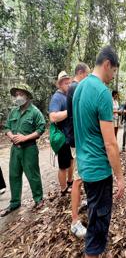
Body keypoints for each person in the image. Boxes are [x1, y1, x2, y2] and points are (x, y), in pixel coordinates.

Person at [73, 45, 125, 258]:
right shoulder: (102, 93)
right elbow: (110, 144)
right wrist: (120, 177)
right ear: (107, 64)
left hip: (85, 166)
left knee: (95, 216)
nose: (113, 76)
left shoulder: (79, 88)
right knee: (97, 226)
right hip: (99, 171)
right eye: (113, 71)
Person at [0, 84, 45, 217]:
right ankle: (14, 202)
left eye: (21, 94)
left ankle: (38, 199)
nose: (18, 97)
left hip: (29, 149)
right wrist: (11, 136)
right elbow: (6, 127)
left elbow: (40, 129)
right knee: (14, 175)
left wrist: (25, 138)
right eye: (17, 94)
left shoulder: (35, 112)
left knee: (33, 175)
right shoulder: (13, 112)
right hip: (15, 150)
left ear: (27, 96)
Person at [66, 63, 90, 238]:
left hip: (77, 138)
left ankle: (85, 201)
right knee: (78, 178)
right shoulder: (76, 88)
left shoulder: (73, 88)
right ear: (81, 73)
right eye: (87, 74)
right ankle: (74, 221)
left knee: (81, 175)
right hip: (78, 139)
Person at [49, 71, 73, 195]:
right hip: (62, 137)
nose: (68, 84)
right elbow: (52, 117)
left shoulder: (66, 95)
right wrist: (70, 111)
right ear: (59, 84)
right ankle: (63, 189)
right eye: (65, 83)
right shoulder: (57, 97)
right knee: (63, 165)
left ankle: (70, 181)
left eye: (69, 82)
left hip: (69, 136)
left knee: (71, 160)